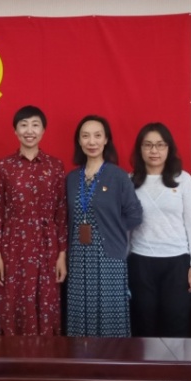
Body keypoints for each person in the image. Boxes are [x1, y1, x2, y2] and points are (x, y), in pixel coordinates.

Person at [0, 105, 68, 336]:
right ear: (15, 131)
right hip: (14, 245)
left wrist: (62, 255)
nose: (29, 130)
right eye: (23, 125)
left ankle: (46, 354)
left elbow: (61, 213)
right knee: (13, 300)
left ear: (43, 130)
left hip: (47, 244)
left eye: (35, 125)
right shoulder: (4, 166)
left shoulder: (55, 166)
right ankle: (13, 354)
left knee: (47, 301)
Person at [65, 115, 142, 337]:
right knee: (81, 313)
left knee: (110, 314)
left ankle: (112, 357)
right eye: (86, 136)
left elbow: (135, 215)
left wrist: (113, 230)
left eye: (97, 136)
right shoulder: (71, 178)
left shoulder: (118, 176)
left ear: (106, 139)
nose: (92, 141)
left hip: (109, 256)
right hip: (78, 257)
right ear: (79, 141)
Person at [127, 122, 191, 337]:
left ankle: (175, 361)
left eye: (160, 145)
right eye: (148, 145)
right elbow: (126, 227)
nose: (154, 150)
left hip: (176, 261)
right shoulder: (130, 181)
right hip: (141, 260)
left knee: (175, 323)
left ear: (169, 148)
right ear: (140, 149)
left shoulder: (183, 179)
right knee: (143, 323)